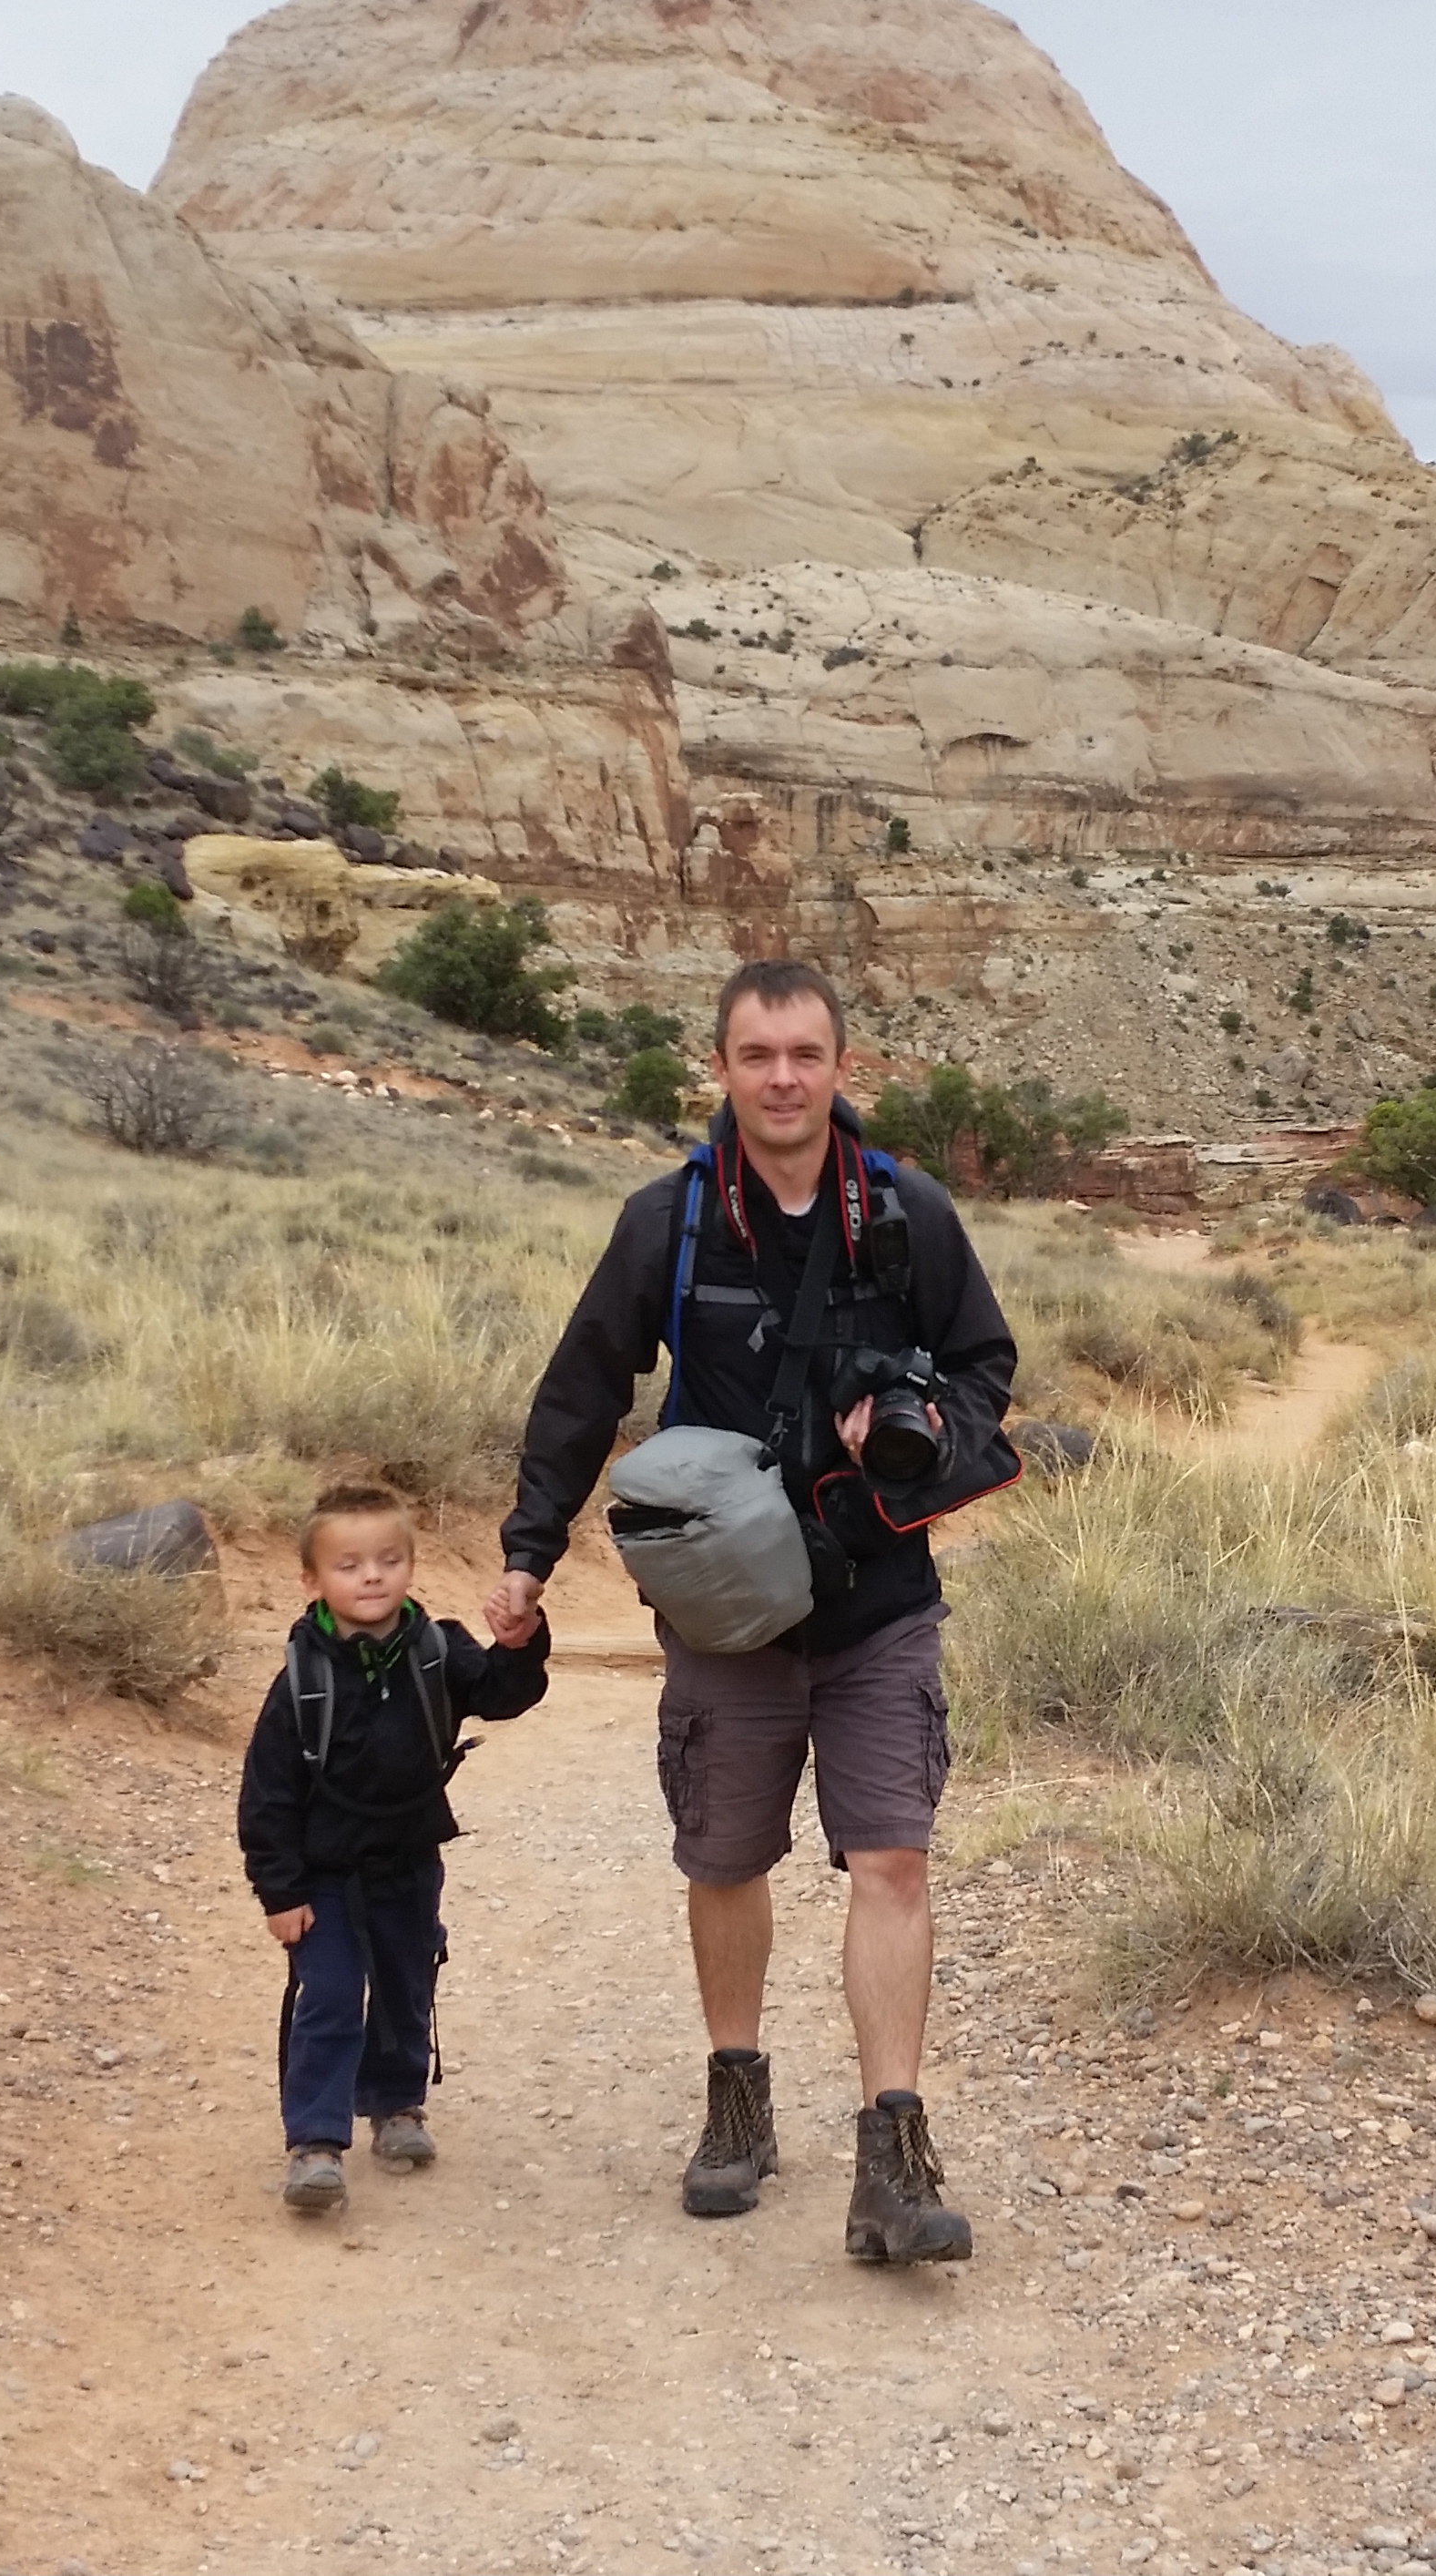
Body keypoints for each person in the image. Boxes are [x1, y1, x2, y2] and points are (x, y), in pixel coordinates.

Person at [485, 960, 1021, 2264]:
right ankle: (737, 2102)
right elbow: (581, 1387)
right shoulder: (668, 1221)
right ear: (719, 1069)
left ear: (844, 1068)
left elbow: (986, 1367)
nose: (782, 1078)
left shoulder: (907, 1214)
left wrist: (918, 1429)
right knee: (724, 1858)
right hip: (727, 1613)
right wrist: (527, 1553)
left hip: (878, 1600)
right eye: (756, 1054)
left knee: (890, 1857)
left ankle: (894, 2150)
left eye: (805, 1054)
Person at [236, 1477, 551, 2216]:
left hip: (410, 1861)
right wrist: (279, 1892)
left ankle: (399, 2106)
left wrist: (520, 1644)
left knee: (409, 1981)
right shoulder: (302, 1681)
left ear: (411, 1565)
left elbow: (506, 1695)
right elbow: (269, 1796)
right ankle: (315, 2139)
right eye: (348, 1566)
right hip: (323, 1875)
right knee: (333, 1995)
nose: (370, 1576)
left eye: (387, 1560)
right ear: (312, 1580)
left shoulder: (436, 1649)